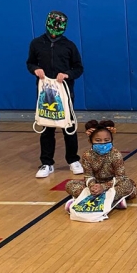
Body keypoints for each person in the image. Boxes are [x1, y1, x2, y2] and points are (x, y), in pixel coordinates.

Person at [26, 10, 84, 178]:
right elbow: (30, 63)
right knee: (47, 127)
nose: (54, 30)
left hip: (64, 92)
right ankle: (46, 163)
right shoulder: (36, 43)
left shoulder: (69, 45)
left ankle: (73, 160)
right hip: (45, 93)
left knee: (69, 126)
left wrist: (67, 74)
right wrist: (35, 69)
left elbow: (78, 68)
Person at [64, 120, 137, 211]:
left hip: (113, 185)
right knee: (70, 185)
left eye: (106, 140)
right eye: (98, 140)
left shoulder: (116, 154)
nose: (103, 143)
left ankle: (86, 199)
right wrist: (93, 186)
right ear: (90, 141)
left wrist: (103, 187)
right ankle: (113, 201)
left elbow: (120, 177)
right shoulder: (87, 155)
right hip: (95, 185)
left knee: (128, 185)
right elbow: (88, 176)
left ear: (111, 140)